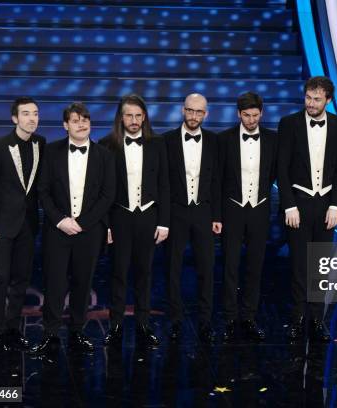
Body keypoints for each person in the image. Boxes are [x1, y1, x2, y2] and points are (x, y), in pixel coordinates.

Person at [33, 102, 115, 354]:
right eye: (76, 120)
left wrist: (82, 223)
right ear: (65, 125)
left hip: (89, 231)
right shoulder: (51, 151)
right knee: (55, 283)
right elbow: (43, 191)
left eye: (85, 119)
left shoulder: (104, 155)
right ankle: (50, 333)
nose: (82, 124)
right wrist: (60, 220)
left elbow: (107, 195)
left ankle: (77, 331)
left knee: (83, 282)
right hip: (57, 230)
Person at [277, 76, 337, 342]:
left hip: (326, 203)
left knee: (320, 264)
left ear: (328, 100)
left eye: (317, 99)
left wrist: (336, 205)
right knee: (298, 264)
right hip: (299, 201)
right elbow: (281, 169)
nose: (311, 103)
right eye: (308, 97)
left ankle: (317, 319)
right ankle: (297, 318)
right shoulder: (290, 124)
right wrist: (289, 205)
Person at [100, 94, 169, 349]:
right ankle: (115, 326)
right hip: (119, 216)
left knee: (145, 272)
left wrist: (164, 222)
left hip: (149, 216)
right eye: (129, 115)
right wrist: (105, 224)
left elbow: (165, 184)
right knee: (117, 272)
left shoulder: (157, 144)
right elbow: (102, 190)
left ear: (145, 117)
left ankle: (143, 325)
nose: (134, 120)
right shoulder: (107, 145)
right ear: (121, 117)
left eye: (139, 116)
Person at [0, 97, 45, 352]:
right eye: (26, 113)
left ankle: (13, 329)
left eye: (36, 113)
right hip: (2, 226)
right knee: (0, 278)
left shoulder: (41, 144)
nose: (32, 118)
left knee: (21, 279)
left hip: (29, 224)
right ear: (15, 118)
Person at [218, 92, 277, 342]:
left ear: (261, 113)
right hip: (232, 208)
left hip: (260, 208)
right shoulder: (224, 140)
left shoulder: (274, 140)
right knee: (230, 266)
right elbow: (217, 179)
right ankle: (230, 318)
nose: (251, 120)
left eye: (255, 115)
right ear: (238, 114)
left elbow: (275, 172)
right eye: (246, 115)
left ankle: (249, 317)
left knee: (255, 266)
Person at [162, 94, 221, 343]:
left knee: (206, 268)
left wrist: (217, 215)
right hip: (175, 211)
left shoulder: (214, 142)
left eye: (199, 112)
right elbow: (162, 183)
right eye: (190, 110)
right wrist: (162, 219)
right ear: (182, 110)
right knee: (172, 268)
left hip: (204, 211)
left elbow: (218, 181)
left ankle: (205, 322)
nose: (194, 116)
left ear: (206, 114)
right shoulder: (166, 141)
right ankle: (175, 320)